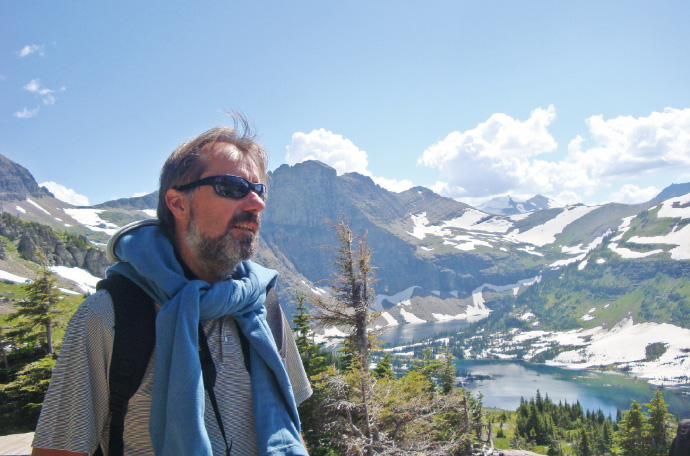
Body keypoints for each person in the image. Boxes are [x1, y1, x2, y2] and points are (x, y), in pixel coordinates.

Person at [32, 120, 312, 456]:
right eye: (232, 187)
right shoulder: (108, 317)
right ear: (177, 203)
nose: (256, 204)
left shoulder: (261, 303)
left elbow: (289, 426)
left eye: (259, 190)